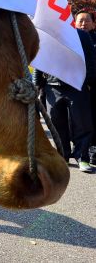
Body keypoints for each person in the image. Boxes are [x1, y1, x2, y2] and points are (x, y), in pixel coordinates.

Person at [33, 27, 96, 173]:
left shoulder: (82, 35)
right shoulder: (48, 35)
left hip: (78, 85)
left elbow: (91, 59)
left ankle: (83, 158)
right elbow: (39, 60)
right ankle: (63, 156)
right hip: (52, 87)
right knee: (56, 123)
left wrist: (90, 80)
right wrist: (37, 84)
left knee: (82, 123)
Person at [74, 10, 96, 165]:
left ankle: (92, 151)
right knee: (78, 121)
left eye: (87, 20)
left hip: (93, 86)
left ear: (93, 23)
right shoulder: (69, 40)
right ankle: (79, 150)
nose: (83, 24)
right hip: (75, 86)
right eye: (80, 20)